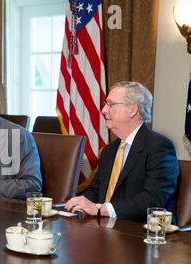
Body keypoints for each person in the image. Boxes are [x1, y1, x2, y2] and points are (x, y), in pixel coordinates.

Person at [65, 81, 179, 221]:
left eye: (110, 104)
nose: (104, 110)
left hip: (140, 233)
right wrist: (77, 204)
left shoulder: (159, 147)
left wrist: (100, 209)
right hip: (105, 229)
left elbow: (152, 200)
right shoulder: (109, 150)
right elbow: (96, 190)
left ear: (132, 109)